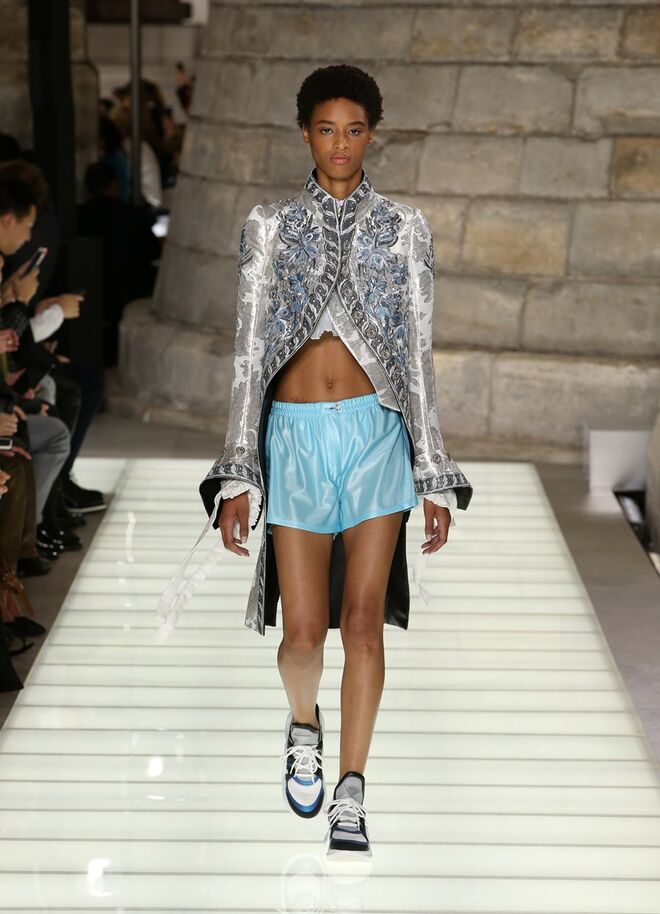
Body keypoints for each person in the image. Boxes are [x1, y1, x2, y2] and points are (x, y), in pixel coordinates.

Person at [160, 65, 474, 859]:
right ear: (304, 132)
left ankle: (352, 792)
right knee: (303, 634)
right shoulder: (268, 227)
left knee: (363, 623)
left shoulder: (405, 229)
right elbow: (248, 354)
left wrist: (433, 473)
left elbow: (418, 355)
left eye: (354, 130)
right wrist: (239, 470)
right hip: (294, 438)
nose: (340, 145)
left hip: (377, 436)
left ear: (373, 134)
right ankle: (304, 725)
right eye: (327, 129)